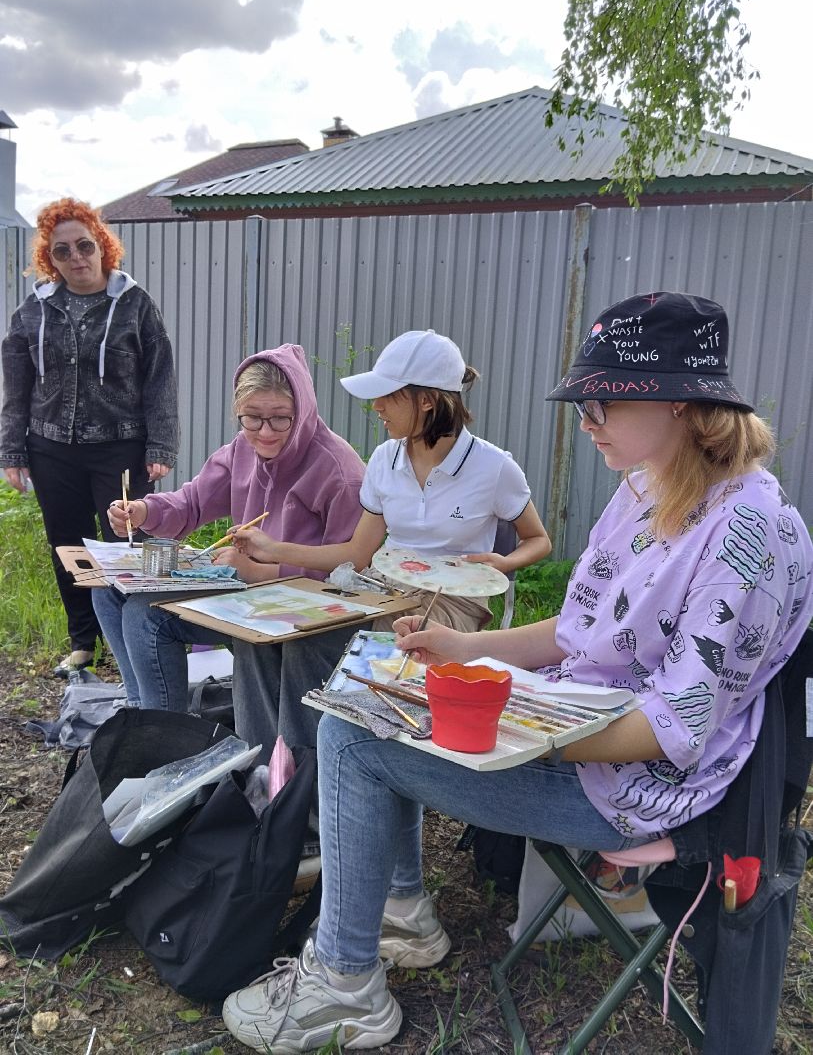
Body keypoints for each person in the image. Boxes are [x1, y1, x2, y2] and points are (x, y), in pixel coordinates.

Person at [220, 292, 813, 1053]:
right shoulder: (645, 487)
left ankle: (346, 981)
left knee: (354, 742)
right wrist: (459, 649)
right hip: (582, 727)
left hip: (643, 790)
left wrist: (523, 732)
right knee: (368, 700)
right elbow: (575, 631)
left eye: (599, 403)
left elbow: (674, 731)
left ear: (680, 404)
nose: (585, 422)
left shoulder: (749, 531)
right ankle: (394, 912)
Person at [93, 344, 366, 720]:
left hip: (298, 608)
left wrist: (262, 572)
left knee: (146, 615)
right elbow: (192, 503)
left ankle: (165, 730)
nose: (264, 432)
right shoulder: (242, 449)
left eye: (280, 419)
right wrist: (143, 511)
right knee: (107, 591)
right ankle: (141, 714)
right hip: (244, 586)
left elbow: (347, 574)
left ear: (302, 412)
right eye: (251, 418)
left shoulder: (339, 471)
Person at [232, 328, 551, 638]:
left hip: (451, 600)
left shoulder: (494, 467)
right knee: (292, 626)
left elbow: (538, 540)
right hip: (384, 586)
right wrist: (273, 549)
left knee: (386, 636)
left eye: (386, 395)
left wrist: (506, 562)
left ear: (427, 400)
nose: (376, 406)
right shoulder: (385, 459)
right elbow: (357, 555)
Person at [0, 199, 179, 677]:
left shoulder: (135, 304)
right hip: (51, 448)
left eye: (84, 245)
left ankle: (138, 638)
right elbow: (16, 386)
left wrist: (160, 445)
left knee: (129, 544)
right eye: (62, 251)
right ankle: (85, 642)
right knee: (70, 547)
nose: (76, 257)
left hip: (121, 446)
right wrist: (12, 450)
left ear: (102, 245)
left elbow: (160, 376)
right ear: (50, 259)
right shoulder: (33, 311)